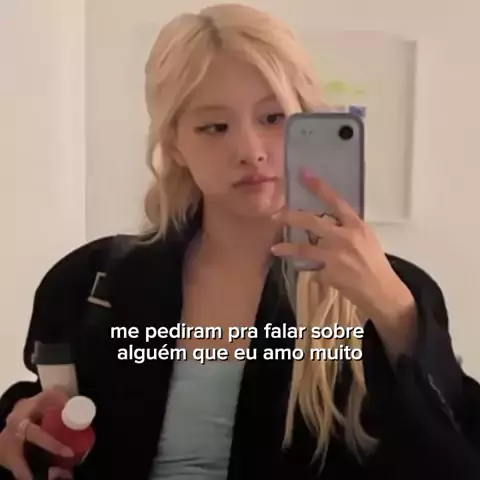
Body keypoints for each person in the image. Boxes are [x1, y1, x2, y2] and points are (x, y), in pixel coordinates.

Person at [0, 3, 479, 480]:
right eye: (215, 127)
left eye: (273, 117)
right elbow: (45, 417)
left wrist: (397, 316)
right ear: (175, 144)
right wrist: (20, 429)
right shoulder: (91, 282)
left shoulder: (394, 293)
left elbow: (456, 459)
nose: (250, 150)